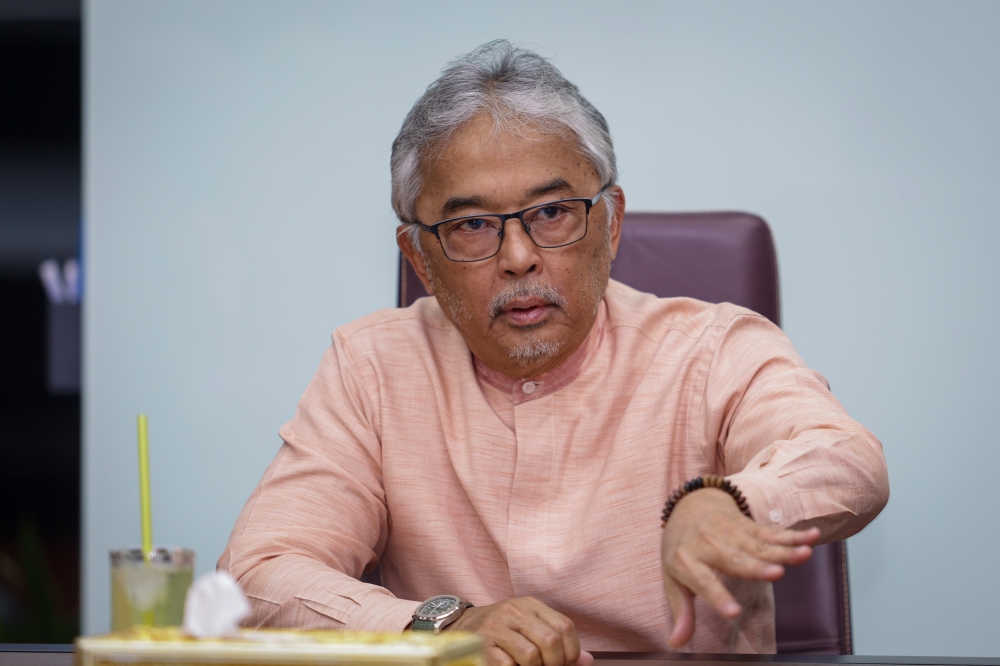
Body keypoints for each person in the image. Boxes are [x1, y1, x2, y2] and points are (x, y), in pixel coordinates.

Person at [218, 40, 889, 663]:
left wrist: (728, 502)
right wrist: (439, 629)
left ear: (612, 222)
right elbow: (254, 577)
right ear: (420, 258)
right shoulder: (371, 366)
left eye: (551, 213)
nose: (518, 257)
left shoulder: (711, 349)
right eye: (472, 224)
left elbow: (847, 458)